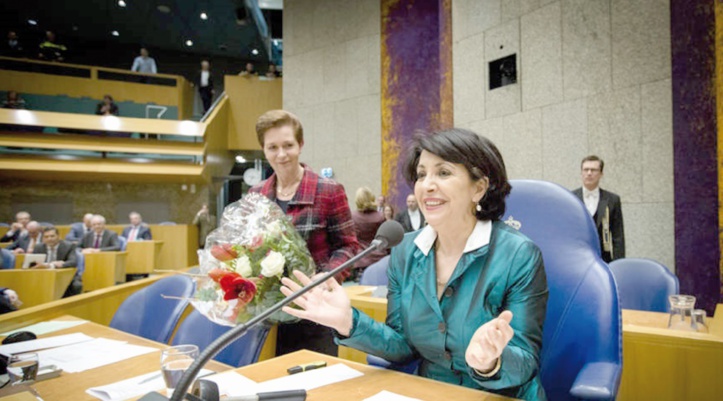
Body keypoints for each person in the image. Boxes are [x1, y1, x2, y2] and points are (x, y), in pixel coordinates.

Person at [280, 128, 549, 400]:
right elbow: (402, 346)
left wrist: (492, 362)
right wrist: (349, 322)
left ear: (478, 188)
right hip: (430, 392)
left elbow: (526, 362)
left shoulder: (519, 255)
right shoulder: (405, 251)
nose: (427, 185)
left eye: (443, 173)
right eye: (421, 175)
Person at [249, 109, 360, 357]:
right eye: (272, 147)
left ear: (300, 144)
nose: (281, 154)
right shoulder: (255, 195)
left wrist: (322, 281)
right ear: (263, 150)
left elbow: (349, 247)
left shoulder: (328, 190)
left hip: (316, 312)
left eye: (288, 145)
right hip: (268, 316)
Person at [572, 155, 625, 263]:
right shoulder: (570, 198)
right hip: (577, 259)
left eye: (594, 170)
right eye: (586, 169)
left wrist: (618, 264)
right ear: (581, 173)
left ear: (601, 174)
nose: (589, 173)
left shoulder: (612, 199)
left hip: (603, 259)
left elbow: (618, 237)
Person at [351, 187, 388, 277]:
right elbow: (386, 239)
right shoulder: (380, 217)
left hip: (361, 261)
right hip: (380, 258)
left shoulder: (353, 217)